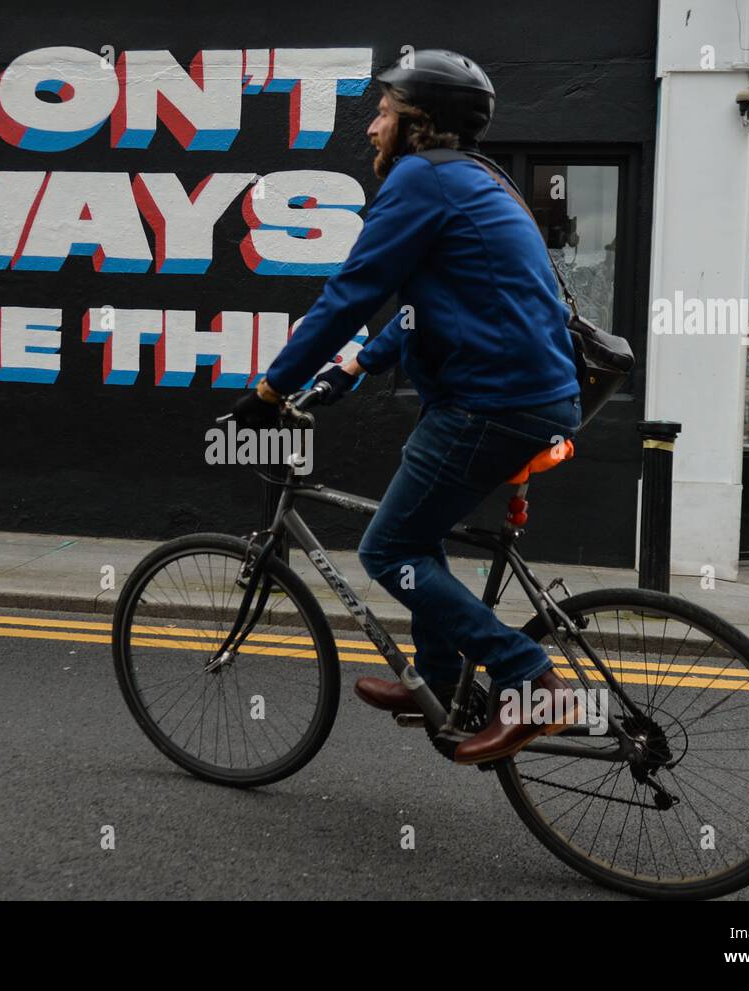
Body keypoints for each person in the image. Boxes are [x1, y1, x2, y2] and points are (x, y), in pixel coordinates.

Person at [229, 49, 583, 764]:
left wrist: (268, 392)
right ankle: (440, 676)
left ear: (417, 123)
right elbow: (430, 300)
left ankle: (532, 678)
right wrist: (351, 367)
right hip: (521, 394)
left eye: (384, 114)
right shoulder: (474, 179)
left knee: (387, 550)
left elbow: (353, 291)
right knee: (418, 535)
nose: (372, 128)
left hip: (492, 402)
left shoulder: (422, 179)